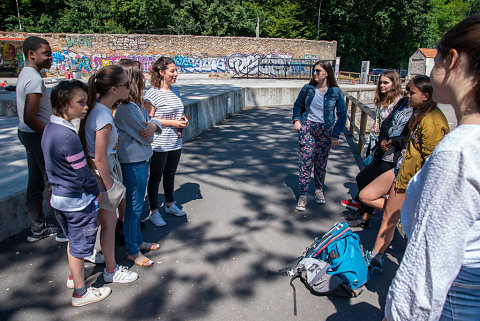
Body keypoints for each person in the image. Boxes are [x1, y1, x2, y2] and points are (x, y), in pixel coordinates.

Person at [384, 15, 480, 321]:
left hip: (454, 293)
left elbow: (429, 262)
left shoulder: (459, 151)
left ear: (451, 60)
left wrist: (396, 315)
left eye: (435, 57)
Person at [359, 75, 449, 274]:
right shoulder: (418, 112)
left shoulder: (433, 120)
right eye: (407, 90)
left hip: (410, 177)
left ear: (426, 96)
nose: (406, 94)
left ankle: (375, 258)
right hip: (401, 168)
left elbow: (432, 161)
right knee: (365, 195)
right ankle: (401, 214)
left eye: (411, 92)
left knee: (388, 219)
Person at [41, 80, 111, 306]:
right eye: (80, 103)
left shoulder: (50, 129)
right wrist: (95, 192)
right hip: (77, 201)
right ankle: (81, 292)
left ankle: (75, 277)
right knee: (79, 246)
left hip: (59, 198)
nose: (86, 107)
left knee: (73, 241)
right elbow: (82, 173)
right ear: (63, 104)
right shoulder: (68, 136)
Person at [79, 65, 138, 283]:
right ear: (113, 89)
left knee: (104, 221)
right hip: (102, 172)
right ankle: (111, 270)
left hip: (98, 170)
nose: (129, 87)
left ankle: (102, 258)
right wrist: (110, 187)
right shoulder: (103, 116)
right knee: (109, 222)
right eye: (126, 84)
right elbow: (101, 157)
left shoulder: (97, 109)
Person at [16, 36, 67, 242]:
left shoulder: (27, 74)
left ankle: (37, 228)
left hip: (29, 135)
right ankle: (64, 230)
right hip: (37, 136)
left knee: (35, 182)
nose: (50, 58)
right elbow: (30, 117)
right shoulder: (34, 79)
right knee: (53, 182)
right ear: (32, 54)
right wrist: (50, 136)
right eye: (46, 54)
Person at [115, 59, 162, 267]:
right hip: (133, 163)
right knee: (134, 209)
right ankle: (132, 251)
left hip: (140, 160)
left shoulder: (135, 104)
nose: (144, 78)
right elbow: (147, 136)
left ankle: (138, 242)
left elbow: (152, 122)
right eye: (139, 75)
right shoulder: (127, 108)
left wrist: (153, 125)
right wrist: (153, 127)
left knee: (136, 206)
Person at [340, 70, 404, 218]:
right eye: (380, 82)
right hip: (378, 145)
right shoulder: (384, 100)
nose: (381, 85)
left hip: (391, 152)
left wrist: (389, 141)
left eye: (386, 83)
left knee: (364, 178)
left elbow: (396, 129)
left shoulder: (400, 103)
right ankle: (365, 213)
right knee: (367, 177)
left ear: (395, 84)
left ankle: (369, 210)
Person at [292, 61, 347, 211]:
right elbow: (298, 105)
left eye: (318, 71)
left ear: (326, 73)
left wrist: (335, 134)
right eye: (313, 71)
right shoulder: (308, 89)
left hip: (326, 131)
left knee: (321, 163)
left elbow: (342, 115)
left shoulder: (335, 92)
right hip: (308, 128)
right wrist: (297, 120)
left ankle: (318, 189)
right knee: (305, 161)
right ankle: (303, 194)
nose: (314, 73)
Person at [145, 57, 188, 226]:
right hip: (159, 143)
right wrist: (172, 123)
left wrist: (183, 120)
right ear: (161, 72)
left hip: (175, 141)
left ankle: (170, 204)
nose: (176, 74)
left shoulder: (175, 91)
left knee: (170, 175)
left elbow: (178, 112)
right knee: (155, 178)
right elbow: (148, 119)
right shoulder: (152, 93)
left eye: (176, 70)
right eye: (172, 71)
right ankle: (153, 211)